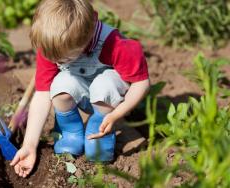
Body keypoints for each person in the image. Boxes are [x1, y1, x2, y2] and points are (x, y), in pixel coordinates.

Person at [10, 0, 150, 178]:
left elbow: (141, 83)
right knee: (59, 85)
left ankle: (99, 132)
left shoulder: (116, 45)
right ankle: (70, 133)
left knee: (104, 85)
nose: (58, 63)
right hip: (81, 91)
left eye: (64, 59)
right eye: (55, 60)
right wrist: (29, 145)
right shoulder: (51, 45)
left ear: (89, 32)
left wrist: (116, 115)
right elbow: (43, 93)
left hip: (109, 100)